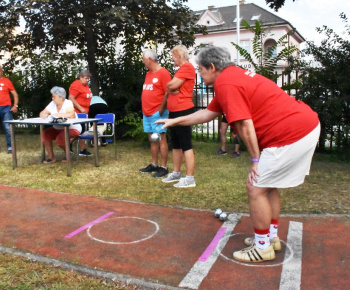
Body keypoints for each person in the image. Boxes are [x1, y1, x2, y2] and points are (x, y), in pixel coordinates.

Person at [156, 45, 320, 262]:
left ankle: (262, 247)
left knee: (256, 187)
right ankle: (270, 239)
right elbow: (208, 113)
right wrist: (174, 120)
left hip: (291, 133)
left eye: (201, 69)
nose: (199, 74)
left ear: (212, 67)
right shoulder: (232, 76)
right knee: (268, 186)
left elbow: (244, 123)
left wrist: (255, 159)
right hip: (303, 125)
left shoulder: (226, 83)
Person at [161, 45, 196, 188]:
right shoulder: (181, 70)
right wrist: (172, 87)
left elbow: (171, 85)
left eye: (173, 56)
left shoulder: (187, 67)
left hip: (183, 110)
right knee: (176, 144)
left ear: (179, 55)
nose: (172, 59)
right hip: (175, 111)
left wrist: (173, 87)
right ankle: (176, 172)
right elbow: (169, 86)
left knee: (186, 144)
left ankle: (190, 178)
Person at [139, 49, 171, 178]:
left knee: (161, 138)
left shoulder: (163, 73)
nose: (143, 61)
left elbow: (167, 93)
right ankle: (154, 164)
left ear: (150, 59)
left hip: (158, 112)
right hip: (146, 112)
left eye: (144, 59)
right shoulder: (148, 74)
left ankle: (163, 167)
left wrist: (161, 110)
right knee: (152, 139)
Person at [40, 86, 82, 163]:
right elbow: (42, 112)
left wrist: (57, 114)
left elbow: (71, 115)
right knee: (45, 134)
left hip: (72, 128)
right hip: (57, 128)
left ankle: (67, 154)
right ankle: (51, 157)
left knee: (60, 139)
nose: (52, 98)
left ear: (61, 97)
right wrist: (44, 114)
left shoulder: (68, 103)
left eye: (54, 96)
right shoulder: (52, 103)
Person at [68, 69, 93, 156]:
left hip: (85, 112)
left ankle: (82, 149)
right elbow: (71, 98)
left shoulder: (85, 85)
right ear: (80, 77)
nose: (87, 80)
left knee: (83, 130)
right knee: (80, 131)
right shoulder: (76, 85)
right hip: (78, 113)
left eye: (88, 79)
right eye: (86, 78)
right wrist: (81, 108)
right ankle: (69, 144)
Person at [0, 65, 19, 154]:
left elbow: (15, 94)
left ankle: (10, 147)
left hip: (6, 108)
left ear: (1, 71)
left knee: (8, 128)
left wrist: (15, 105)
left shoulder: (7, 81)